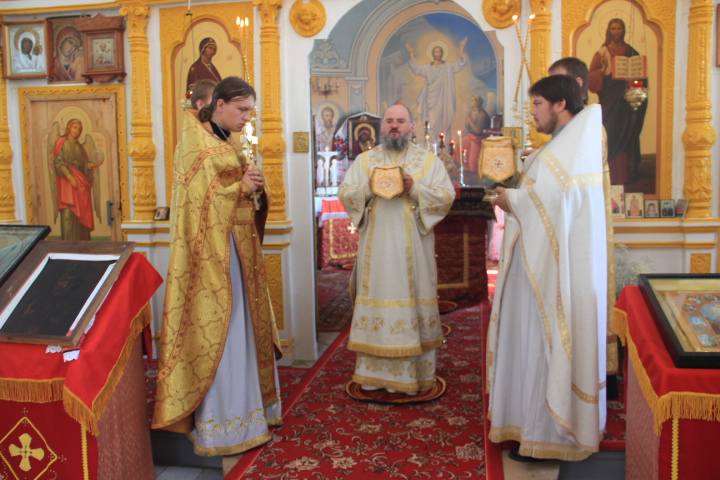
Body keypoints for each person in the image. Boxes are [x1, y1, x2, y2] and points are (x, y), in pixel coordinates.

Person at [152, 77, 282, 459]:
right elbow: (198, 206)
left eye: (250, 110)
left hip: (240, 255)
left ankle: (253, 414)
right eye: (242, 109)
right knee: (226, 335)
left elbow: (239, 196)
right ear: (220, 105)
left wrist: (257, 190)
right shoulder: (194, 145)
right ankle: (225, 424)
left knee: (245, 330)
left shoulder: (226, 141)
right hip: (213, 262)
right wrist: (240, 188)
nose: (247, 117)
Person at [486, 75, 607, 461]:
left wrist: (510, 199)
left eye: (537, 104)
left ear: (559, 104)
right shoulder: (570, 141)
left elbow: (552, 203)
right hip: (541, 266)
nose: (533, 113)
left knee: (542, 347)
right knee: (531, 345)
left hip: (552, 274)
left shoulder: (574, 143)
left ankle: (544, 437)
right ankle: (527, 427)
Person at [338, 103, 455, 395]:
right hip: (376, 252)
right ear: (382, 126)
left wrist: (414, 188)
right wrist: (368, 187)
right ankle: (373, 376)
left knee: (413, 296)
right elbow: (345, 193)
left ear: (411, 127)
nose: (394, 126)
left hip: (414, 252)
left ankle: (415, 376)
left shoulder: (428, 162)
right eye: (389, 121)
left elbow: (445, 196)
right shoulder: (365, 161)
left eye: (401, 121)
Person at [550, 56, 620, 400]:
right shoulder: (574, 125)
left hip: (583, 227)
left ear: (577, 85)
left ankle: (592, 376)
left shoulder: (591, 126)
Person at [589, 18, 648, 185]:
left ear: (624, 31)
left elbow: (641, 79)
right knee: (609, 134)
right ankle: (608, 177)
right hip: (610, 101)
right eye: (613, 28)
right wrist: (602, 70)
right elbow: (591, 81)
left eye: (619, 28)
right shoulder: (602, 53)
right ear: (609, 31)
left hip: (626, 103)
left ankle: (626, 176)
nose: (616, 32)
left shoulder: (632, 52)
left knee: (627, 134)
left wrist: (634, 79)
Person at [406, 38, 468, 141]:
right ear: (432, 54)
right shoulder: (428, 68)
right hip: (430, 100)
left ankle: (445, 147)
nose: (438, 53)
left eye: (440, 51)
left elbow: (460, 64)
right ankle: (429, 145)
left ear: (442, 53)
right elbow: (417, 69)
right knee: (431, 123)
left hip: (444, 101)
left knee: (444, 122)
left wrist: (461, 47)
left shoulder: (448, 66)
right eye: (436, 51)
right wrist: (412, 53)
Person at [51, 119, 101, 241]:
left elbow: (84, 164)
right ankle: (68, 245)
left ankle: (83, 244)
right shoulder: (62, 142)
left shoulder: (80, 147)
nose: (77, 131)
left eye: (79, 129)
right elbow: (58, 163)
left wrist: (91, 165)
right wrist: (69, 176)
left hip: (80, 184)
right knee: (69, 215)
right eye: (74, 128)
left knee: (81, 216)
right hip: (67, 185)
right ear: (69, 128)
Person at [464, 94, 491, 173]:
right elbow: (467, 127)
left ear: (477, 103)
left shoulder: (482, 115)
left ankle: (474, 172)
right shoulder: (473, 113)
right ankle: (462, 167)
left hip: (478, 139)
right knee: (458, 144)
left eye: (473, 100)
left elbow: (477, 131)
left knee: (473, 164)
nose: (471, 102)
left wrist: (470, 121)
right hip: (471, 137)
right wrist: (467, 120)